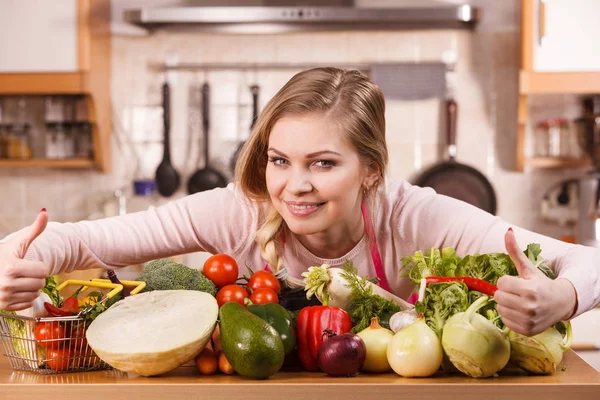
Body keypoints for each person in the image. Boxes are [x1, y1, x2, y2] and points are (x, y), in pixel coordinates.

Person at [0, 67, 598, 337]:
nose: (294, 185)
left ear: (372, 171)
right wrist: (21, 257)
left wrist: (561, 295)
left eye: (324, 163)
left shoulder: (417, 215)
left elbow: (588, 263)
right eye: (280, 159)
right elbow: (84, 240)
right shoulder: (240, 208)